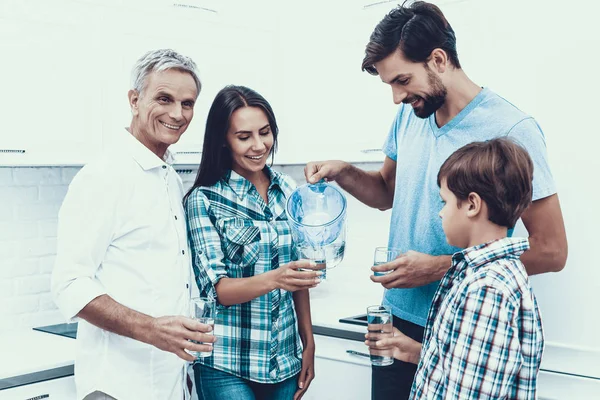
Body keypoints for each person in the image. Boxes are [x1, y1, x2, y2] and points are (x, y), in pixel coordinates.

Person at [304, 2, 567, 399]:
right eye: (390, 84)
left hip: (463, 321)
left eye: (403, 80)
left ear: (439, 59)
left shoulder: (512, 129)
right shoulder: (411, 114)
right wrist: (344, 173)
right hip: (396, 318)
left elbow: (552, 250)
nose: (396, 97)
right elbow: (385, 194)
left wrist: (438, 268)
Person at [51, 49, 216, 400]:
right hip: (117, 387)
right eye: (164, 98)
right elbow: (68, 284)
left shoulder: (169, 177)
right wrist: (153, 329)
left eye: (187, 103)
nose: (177, 113)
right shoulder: (103, 177)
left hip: (171, 382)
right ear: (135, 99)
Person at [368, 137, 545, 399]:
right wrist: (416, 351)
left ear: (472, 204)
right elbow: (469, 370)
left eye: (445, 202)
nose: (441, 213)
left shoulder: (486, 290)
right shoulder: (490, 273)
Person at [184, 85, 321, 400]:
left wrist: (308, 341)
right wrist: (277, 277)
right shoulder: (204, 200)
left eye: (265, 132)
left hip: (284, 363)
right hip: (226, 364)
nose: (259, 145)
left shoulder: (289, 191)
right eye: (244, 137)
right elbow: (218, 292)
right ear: (223, 139)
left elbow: (297, 279)